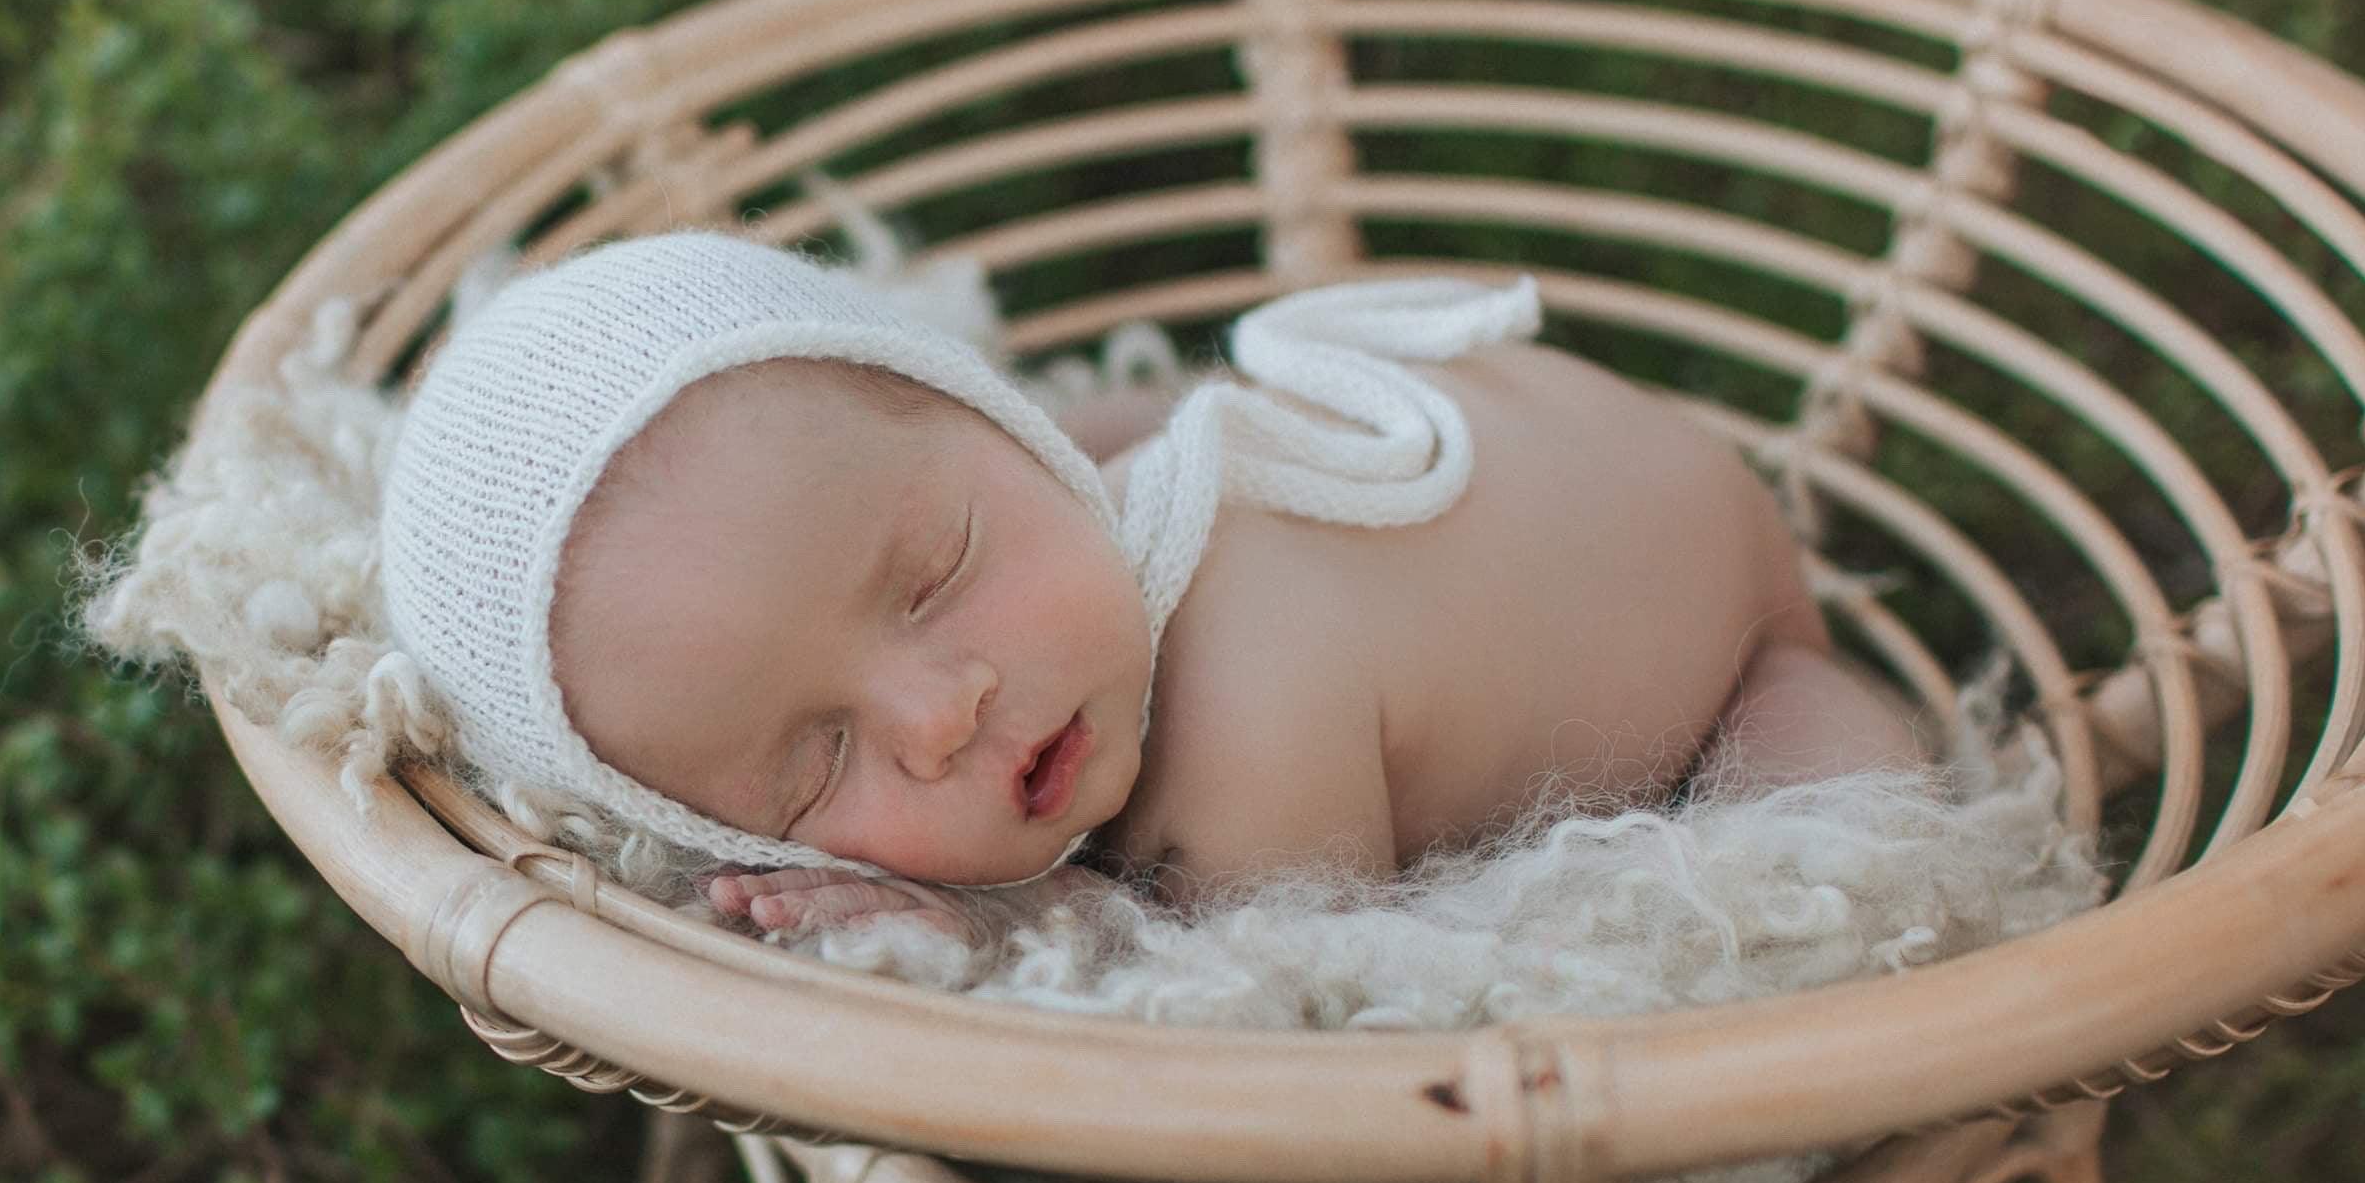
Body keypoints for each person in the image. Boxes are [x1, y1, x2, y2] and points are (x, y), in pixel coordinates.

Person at [375, 230, 1926, 938]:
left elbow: (1276, 990)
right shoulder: (1035, 520)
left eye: (935, 576)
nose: (941, 709)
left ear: (1011, 423)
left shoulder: (1255, 708)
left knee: (1854, 861)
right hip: (1572, 484)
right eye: (812, 765)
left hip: (1736, 644)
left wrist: (987, 926)